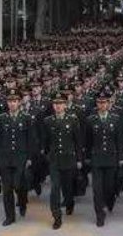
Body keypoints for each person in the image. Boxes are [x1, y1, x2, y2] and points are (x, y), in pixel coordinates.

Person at [0, 88, 37, 226]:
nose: (12, 104)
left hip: (21, 157)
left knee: (19, 185)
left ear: (19, 102)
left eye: (15, 101)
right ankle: (10, 216)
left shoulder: (26, 118)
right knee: (7, 188)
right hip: (5, 158)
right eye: (10, 101)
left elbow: (31, 140)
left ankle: (23, 201)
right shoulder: (2, 118)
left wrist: (30, 158)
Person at [42, 93, 83, 230]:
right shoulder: (48, 121)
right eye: (55, 104)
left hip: (69, 158)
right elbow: (46, 141)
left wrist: (79, 159)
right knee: (55, 189)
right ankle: (57, 216)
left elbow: (77, 141)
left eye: (60, 104)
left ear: (65, 105)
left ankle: (70, 202)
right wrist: (47, 155)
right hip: (54, 160)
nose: (58, 106)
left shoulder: (73, 120)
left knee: (67, 187)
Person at [85, 90, 123, 226]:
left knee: (109, 187)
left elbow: (120, 140)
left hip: (111, 158)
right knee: (97, 189)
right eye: (99, 102)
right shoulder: (91, 120)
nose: (102, 105)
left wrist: (120, 157)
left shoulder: (116, 119)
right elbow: (87, 141)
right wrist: (87, 158)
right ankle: (99, 214)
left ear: (109, 104)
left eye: (104, 102)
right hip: (97, 159)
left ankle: (110, 200)